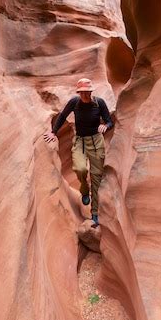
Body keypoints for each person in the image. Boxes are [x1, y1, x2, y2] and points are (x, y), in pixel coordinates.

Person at [43, 78, 113, 227]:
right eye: (83, 93)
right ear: (79, 93)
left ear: (91, 92)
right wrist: (54, 132)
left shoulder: (99, 103)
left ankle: (94, 214)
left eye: (88, 92)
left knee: (96, 177)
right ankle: (84, 190)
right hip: (80, 140)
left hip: (96, 141)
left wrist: (105, 126)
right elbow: (62, 116)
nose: (85, 95)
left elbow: (109, 121)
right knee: (80, 168)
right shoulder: (74, 102)